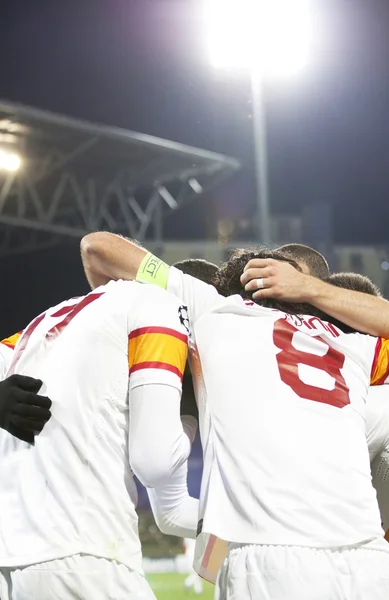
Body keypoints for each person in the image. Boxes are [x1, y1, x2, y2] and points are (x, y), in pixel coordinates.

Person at [80, 232, 389, 600]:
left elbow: (98, 249)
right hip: (370, 559)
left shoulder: (215, 308)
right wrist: (311, 289)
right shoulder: (351, 341)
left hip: (274, 559)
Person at [0, 279, 198, 600]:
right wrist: (188, 423)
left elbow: (173, 512)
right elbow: (154, 462)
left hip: (11, 560)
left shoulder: (48, 320)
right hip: (86, 555)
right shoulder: (164, 305)